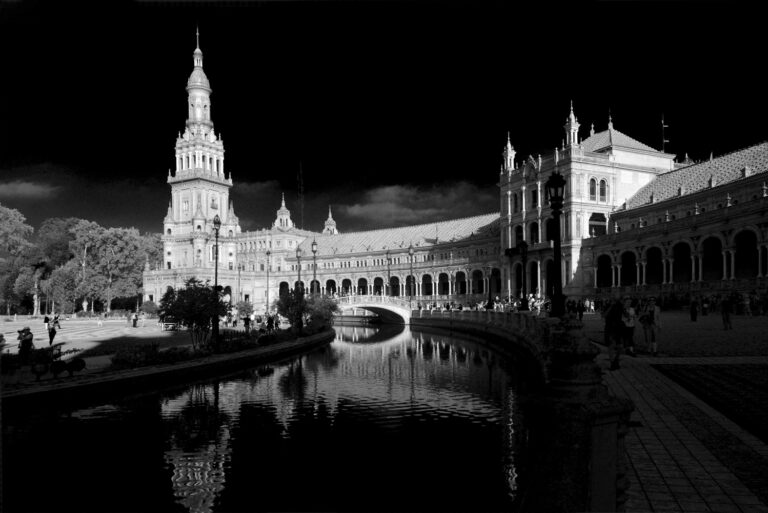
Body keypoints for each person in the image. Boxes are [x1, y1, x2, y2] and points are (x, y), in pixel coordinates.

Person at [604, 299, 625, 370]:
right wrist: (610, 306)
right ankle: (612, 363)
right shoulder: (608, 305)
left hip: (618, 327)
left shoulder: (620, 306)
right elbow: (604, 315)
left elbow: (625, 314)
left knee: (620, 346)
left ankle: (615, 360)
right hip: (610, 328)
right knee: (611, 346)